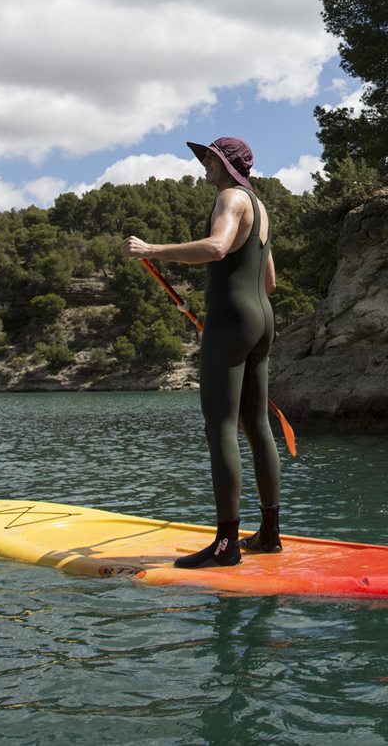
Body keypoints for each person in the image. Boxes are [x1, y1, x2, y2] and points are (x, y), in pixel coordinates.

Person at [123, 136, 282, 568]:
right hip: (262, 319)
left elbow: (216, 247)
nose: (203, 166)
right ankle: (269, 534)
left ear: (226, 163)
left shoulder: (230, 198)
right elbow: (268, 280)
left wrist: (151, 250)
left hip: (231, 321)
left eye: (208, 158)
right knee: (258, 426)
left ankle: (226, 545)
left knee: (221, 426)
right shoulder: (261, 206)